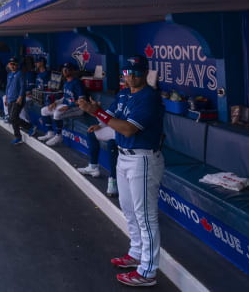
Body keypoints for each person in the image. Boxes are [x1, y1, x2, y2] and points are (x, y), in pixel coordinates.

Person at [78, 55, 165, 287]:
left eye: (136, 72)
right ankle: (136, 253)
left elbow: (127, 129)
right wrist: (100, 117)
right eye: (128, 72)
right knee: (128, 209)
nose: (132, 76)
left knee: (145, 216)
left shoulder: (149, 98)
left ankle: (148, 272)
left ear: (145, 73)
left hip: (143, 158)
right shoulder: (124, 93)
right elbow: (114, 117)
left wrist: (98, 114)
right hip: (125, 158)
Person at [37, 62, 86, 146]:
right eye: (64, 69)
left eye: (67, 70)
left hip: (78, 108)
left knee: (57, 113)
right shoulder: (66, 83)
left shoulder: (77, 83)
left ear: (72, 71)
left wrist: (68, 106)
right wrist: (55, 103)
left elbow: (82, 100)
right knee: (44, 110)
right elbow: (65, 97)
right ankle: (50, 133)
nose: (65, 71)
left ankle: (59, 136)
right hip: (67, 106)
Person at [5, 58, 33, 145]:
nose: (12, 66)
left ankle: (30, 127)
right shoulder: (9, 74)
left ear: (17, 65)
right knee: (12, 119)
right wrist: (6, 97)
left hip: (17, 99)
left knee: (13, 118)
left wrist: (20, 97)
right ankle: (18, 137)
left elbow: (22, 87)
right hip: (10, 98)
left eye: (14, 64)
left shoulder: (20, 73)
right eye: (11, 64)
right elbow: (8, 87)